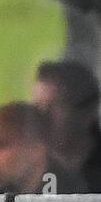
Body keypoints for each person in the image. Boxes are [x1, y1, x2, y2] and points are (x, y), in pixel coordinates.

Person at [32, 60, 101, 192]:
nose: (41, 117)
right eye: (37, 108)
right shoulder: (25, 169)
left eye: (53, 107)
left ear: (87, 114)